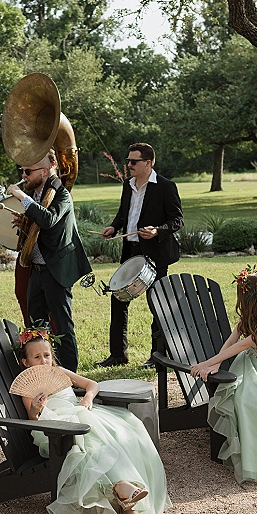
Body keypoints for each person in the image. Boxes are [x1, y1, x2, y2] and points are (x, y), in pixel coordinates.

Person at [16, 327, 171, 514]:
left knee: (125, 429)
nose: (44, 361)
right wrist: (36, 406)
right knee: (95, 443)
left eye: (47, 355)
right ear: (26, 362)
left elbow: (91, 384)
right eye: (37, 357)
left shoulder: (59, 372)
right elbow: (33, 418)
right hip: (54, 428)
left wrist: (88, 398)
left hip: (80, 415)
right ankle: (130, 504)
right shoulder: (29, 386)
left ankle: (126, 495)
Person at [190, 268, 257, 485]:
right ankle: (249, 453)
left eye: (244, 294)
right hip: (249, 364)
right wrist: (218, 362)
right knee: (243, 399)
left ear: (256, 296)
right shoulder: (249, 316)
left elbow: (244, 344)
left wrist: (205, 363)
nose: (241, 299)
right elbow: (232, 341)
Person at [97, 143, 183, 369]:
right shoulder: (128, 185)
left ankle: (158, 357)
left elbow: (177, 220)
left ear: (148, 163)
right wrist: (114, 228)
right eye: (127, 161)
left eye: (133, 161)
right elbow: (123, 214)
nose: (128, 165)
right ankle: (118, 355)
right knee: (118, 300)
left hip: (155, 255)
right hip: (131, 252)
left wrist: (157, 230)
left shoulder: (165, 186)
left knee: (157, 305)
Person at [7, 149, 91, 372]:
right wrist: (25, 221)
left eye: (28, 171)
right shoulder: (38, 195)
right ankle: (40, 371)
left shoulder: (61, 194)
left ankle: (71, 376)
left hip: (56, 271)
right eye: (22, 170)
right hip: (37, 270)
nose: (23, 175)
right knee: (35, 326)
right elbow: (38, 224)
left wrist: (20, 196)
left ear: (45, 170)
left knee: (63, 326)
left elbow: (49, 220)